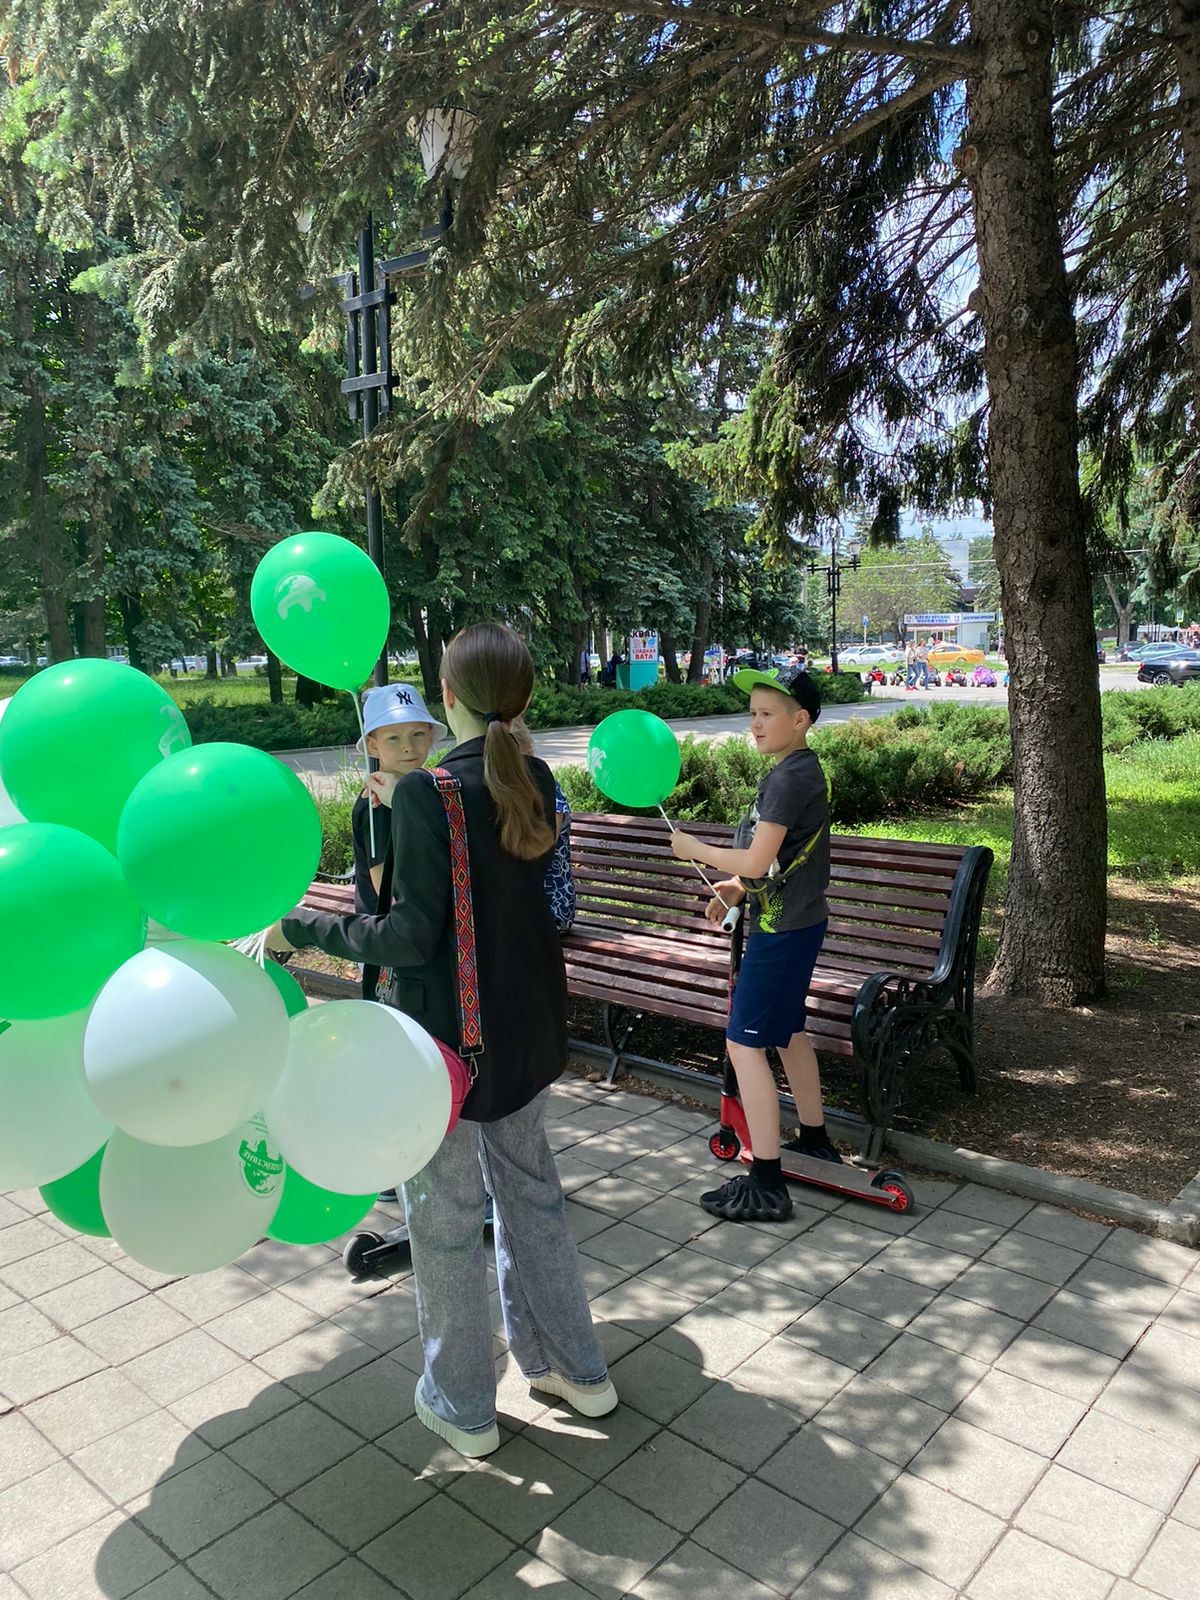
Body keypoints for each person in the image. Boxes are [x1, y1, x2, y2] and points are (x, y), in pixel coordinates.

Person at [267, 623, 614, 1456]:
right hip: (527, 1036)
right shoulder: (533, 775)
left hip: (445, 1054)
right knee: (533, 1201)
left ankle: (463, 1407)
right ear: (520, 699)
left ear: (447, 696)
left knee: (447, 1223)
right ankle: (577, 1370)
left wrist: (303, 928)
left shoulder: (431, 793)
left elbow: (409, 935)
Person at [668, 664, 836, 1223]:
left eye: (767, 714)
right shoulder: (798, 769)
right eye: (753, 714)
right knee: (788, 1032)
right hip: (794, 922)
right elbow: (782, 859)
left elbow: (761, 859)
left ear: (800, 720)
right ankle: (814, 1138)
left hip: (780, 931)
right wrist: (738, 886)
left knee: (744, 1045)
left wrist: (696, 850)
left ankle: (766, 1181)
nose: (756, 724)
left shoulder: (788, 778)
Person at [351, 684, 445, 917]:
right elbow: (385, 888)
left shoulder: (425, 788)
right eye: (394, 738)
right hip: (392, 924)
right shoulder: (377, 804)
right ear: (373, 746)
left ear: (430, 735)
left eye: (418, 734)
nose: (408, 747)